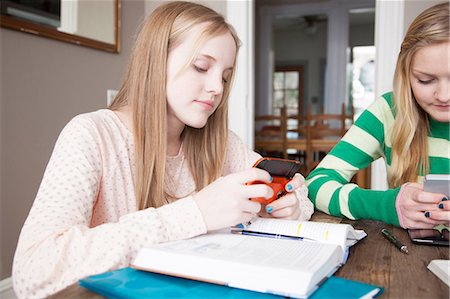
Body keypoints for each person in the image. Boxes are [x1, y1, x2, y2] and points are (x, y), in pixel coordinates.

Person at [12, 2, 313, 298]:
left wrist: (292, 204)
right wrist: (196, 213)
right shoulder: (92, 135)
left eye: (224, 76)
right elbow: (34, 272)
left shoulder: (222, 144)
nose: (218, 88)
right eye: (201, 67)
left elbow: (296, 190)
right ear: (156, 61)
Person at [306, 2, 449, 229]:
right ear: (405, 73)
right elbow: (315, 184)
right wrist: (386, 204)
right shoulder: (388, 112)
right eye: (425, 80)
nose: (443, 96)